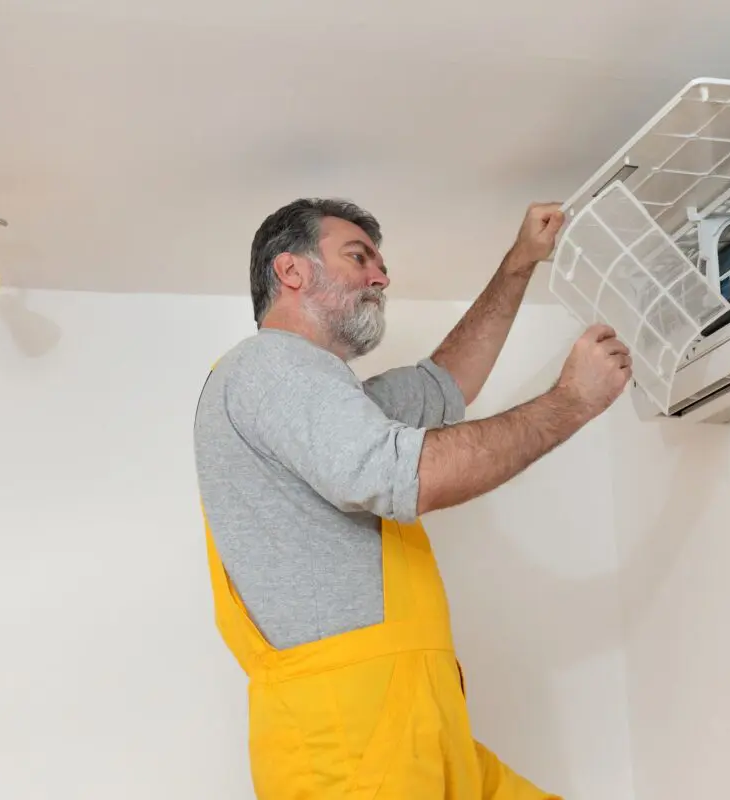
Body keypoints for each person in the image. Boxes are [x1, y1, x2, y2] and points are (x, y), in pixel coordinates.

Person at [192, 197, 631, 799]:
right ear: (290, 271)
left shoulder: (328, 401)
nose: (381, 276)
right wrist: (571, 401)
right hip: (352, 742)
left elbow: (446, 383)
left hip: (409, 722)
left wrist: (520, 262)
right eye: (358, 256)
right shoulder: (271, 367)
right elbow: (399, 473)